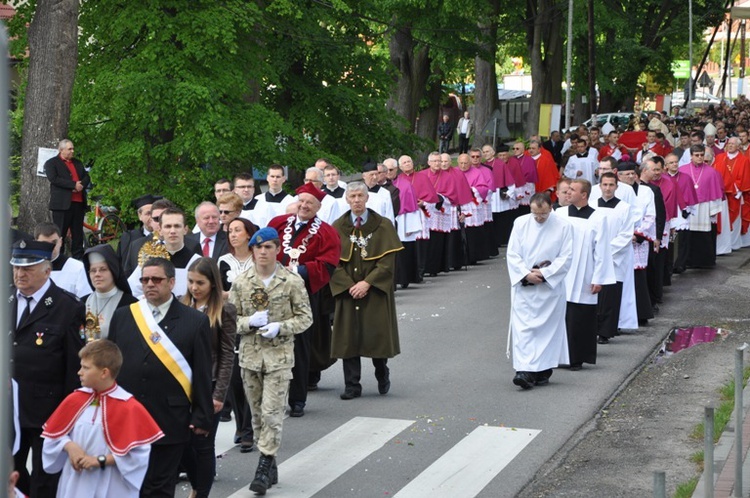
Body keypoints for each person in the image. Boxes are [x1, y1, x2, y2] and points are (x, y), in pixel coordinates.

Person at [108, 257, 213, 498]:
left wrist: (202, 416)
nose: (150, 284)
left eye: (157, 279)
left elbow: (202, 373)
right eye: (145, 280)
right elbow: (112, 366)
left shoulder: (195, 321)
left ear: (172, 282)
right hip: (129, 417)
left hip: (170, 418)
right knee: (130, 485)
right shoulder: (124, 316)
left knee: (160, 486)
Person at [227, 227, 313, 495]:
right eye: (258, 247)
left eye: (268, 247)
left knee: (272, 413)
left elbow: (305, 318)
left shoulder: (291, 281)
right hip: (250, 359)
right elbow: (230, 321)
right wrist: (248, 322)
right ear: (251, 250)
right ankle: (271, 459)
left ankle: (263, 466)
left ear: (277, 250)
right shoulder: (241, 283)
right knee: (257, 417)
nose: (263, 252)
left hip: (279, 358)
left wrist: (281, 327)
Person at [10, 240, 86, 498]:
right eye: (16, 268)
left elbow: (74, 365)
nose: (20, 274)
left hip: (48, 410)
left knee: (47, 478)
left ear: (47, 270)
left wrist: (69, 414)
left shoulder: (67, 307)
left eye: (28, 269)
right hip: (9, 409)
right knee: (12, 472)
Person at [41, 340, 164, 498]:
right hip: (76, 483)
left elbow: (138, 455)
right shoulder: (75, 400)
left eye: (86, 368)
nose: (79, 372)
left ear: (104, 372)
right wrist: (69, 446)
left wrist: (100, 460)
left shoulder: (129, 407)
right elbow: (53, 436)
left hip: (112, 484)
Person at [267, 183, 341, 417]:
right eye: (301, 201)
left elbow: (328, 263)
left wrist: (298, 271)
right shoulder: (278, 224)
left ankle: (298, 399)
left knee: (299, 346)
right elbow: (261, 248)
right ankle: (273, 395)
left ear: (318, 207)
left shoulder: (326, 232)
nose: (304, 205)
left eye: (310, 202)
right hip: (274, 293)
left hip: (304, 294)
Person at [330, 182, 403, 399]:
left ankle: (382, 372)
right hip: (348, 292)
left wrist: (367, 283)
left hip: (375, 291)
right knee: (348, 339)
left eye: (360, 195)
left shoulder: (383, 225)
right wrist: (349, 285)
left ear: (367, 198)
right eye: (352, 196)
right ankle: (352, 385)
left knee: (376, 336)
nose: (356, 200)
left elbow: (388, 262)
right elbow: (332, 262)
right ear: (346, 199)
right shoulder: (337, 226)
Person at [180, 258, 236, 498]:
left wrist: (219, 394)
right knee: (183, 443)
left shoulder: (225, 310)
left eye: (200, 282)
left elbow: (226, 354)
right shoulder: (181, 307)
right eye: (191, 282)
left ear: (213, 283)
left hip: (210, 384)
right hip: (182, 385)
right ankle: (196, 483)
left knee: (203, 444)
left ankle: (199, 492)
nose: (194, 287)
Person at [507, 193, 573, 389]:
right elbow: (512, 254)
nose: (538, 218)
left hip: (549, 287)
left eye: (542, 214)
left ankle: (542, 370)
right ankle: (524, 370)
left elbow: (566, 257)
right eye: (535, 214)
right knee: (524, 329)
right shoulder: (520, 223)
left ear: (551, 208)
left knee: (547, 331)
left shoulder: (563, 226)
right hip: (525, 285)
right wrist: (526, 274)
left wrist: (545, 273)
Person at [555, 180, 614, 369]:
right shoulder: (560, 214)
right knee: (560, 314)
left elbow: (602, 250)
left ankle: (576, 358)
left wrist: (599, 278)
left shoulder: (598, 217)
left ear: (584, 195)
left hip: (584, 273)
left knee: (580, 316)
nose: (568, 193)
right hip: (562, 273)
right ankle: (557, 356)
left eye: (572, 190)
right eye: (567, 190)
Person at [217, 217, 258, 453]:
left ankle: (249, 429)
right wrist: (237, 293)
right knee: (234, 377)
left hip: (256, 324)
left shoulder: (258, 259)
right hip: (231, 323)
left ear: (248, 234)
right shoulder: (223, 261)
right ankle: (242, 428)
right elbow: (218, 292)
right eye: (230, 231)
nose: (233, 235)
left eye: (237, 230)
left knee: (251, 377)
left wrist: (233, 293)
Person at [594, 172, 637, 343]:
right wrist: (596, 252)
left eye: (611, 185)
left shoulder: (624, 208)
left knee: (611, 295)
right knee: (594, 294)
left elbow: (626, 234)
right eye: (605, 185)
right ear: (600, 186)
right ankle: (592, 329)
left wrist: (606, 251)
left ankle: (605, 332)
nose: (608, 188)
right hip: (595, 256)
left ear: (616, 187)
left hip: (615, 257)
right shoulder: (591, 206)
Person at [127, 206, 202, 298]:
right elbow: (132, 290)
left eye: (177, 226)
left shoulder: (197, 262)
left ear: (185, 230)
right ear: (160, 231)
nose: (172, 231)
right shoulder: (150, 260)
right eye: (168, 226)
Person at [674, 145, 724, 271]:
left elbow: (715, 193)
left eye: (702, 155)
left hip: (704, 208)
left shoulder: (711, 172)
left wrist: (713, 210)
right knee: (686, 236)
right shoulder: (682, 170)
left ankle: (704, 262)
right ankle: (685, 261)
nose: (700, 157)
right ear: (691, 156)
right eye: (697, 155)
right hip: (688, 208)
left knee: (703, 236)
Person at [44, 139, 91, 259]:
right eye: (70, 149)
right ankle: (58, 259)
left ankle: (79, 260)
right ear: (61, 150)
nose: (72, 151)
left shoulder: (77, 162)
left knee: (78, 235)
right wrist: (73, 185)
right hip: (62, 205)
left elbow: (86, 176)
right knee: (60, 234)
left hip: (78, 203)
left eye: (73, 148)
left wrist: (81, 185)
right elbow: (54, 179)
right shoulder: (51, 163)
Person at [81, 244, 138, 341]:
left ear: (114, 271)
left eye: (103, 269)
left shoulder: (130, 304)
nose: (97, 274)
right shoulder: (81, 303)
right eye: (93, 270)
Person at [35, 222, 92, 298]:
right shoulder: (28, 269)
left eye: (54, 242)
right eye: (44, 243)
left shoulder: (78, 268)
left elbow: (86, 300)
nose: (50, 248)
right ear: (35, 243)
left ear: (60, 242)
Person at [117, 194, 161, 268]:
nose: (152, 217)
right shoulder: (129, 238)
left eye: (154, 214)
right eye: (148, 213)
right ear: (140, 215)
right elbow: (122, 264)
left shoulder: (167, 236)